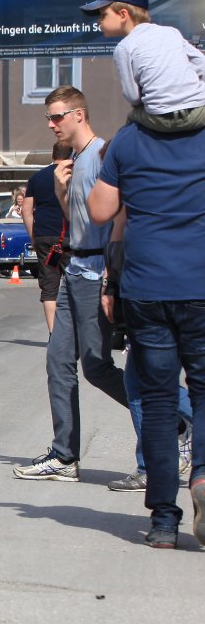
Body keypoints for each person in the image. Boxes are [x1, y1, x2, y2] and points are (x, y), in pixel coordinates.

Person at [89, 95, 205, 547]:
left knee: (157, 402)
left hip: (146, 286)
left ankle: (163, 521)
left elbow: (102, 212)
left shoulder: (129, 140)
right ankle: (202, 476)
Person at [12, 87, 129, 483]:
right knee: (57, 361)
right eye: (49, 117)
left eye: (57, 116)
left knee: (97, 367)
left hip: (95, 273)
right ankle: (64, 456)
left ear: (79, 114)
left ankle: (178, 420)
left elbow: (115, 220)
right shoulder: (76, 160)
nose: (51, 124)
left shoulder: (102, 156)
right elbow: (79, 219)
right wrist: (63, 193)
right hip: (74, 270)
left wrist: (111, 277)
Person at [83, 0, 205, 132]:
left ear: (123, 15)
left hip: (161, 119)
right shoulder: (171, 32)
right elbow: (201, 64)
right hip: (199, 111)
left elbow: (133, 97)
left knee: (133, 116)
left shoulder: (124, 48)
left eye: (103, 15)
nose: (99, 21)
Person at [22, 143, 73, 333]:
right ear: (71, 155)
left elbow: (26, 211)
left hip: (44, 236)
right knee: (76, 283)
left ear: (52, 154)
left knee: (49, 286)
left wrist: (33, 237)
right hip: (70, 235)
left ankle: (53, 332)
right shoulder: (74, 175)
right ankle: (74, 330)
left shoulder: (37, 177)